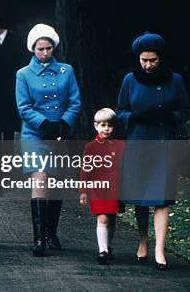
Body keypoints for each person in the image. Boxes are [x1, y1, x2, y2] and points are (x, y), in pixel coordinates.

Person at [116, 32, 190, 270]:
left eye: (152, 60)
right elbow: (120, 110)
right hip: (139, 142)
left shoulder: (175, 80)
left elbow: (186, 109)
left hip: (163, 143)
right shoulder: (129, 80)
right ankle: (142, 240)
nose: (148, 65)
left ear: (160, 59)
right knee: (141, 200)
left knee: (161, 200)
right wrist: (133, 117)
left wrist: (171, 116)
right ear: (138, 59)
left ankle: (160, 248)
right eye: (144, 60)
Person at [15, 23, 81, 256]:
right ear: (32, 48)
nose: (44, 53)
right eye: (40, 49)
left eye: (48, 48)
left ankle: (52, 232)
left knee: (55, 185)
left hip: (60, 132)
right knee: (40, 181)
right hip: (36, 134)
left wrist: (63, 124)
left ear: (54, 47)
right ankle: (39, 237)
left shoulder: (67, 70)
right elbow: (23, 107)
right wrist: (44, 124)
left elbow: (75, 102)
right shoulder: (23, 74)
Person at [79, 108, 125, 265]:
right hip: (97, 188)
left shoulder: (120, 146)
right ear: (96, 126)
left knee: (111, 218)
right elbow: (86, 169)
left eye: (110, 125)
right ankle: (102, 250)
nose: (106, 128)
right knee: (103, 218)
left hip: (115, 188)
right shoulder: (90, 147)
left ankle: (108, 246)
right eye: (103, 125)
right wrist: (83, 191)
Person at [0, 14, 32, 140]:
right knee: (0, 117)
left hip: (13, 85)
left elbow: (21, 62)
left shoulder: (16, 40)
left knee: (12, 117)